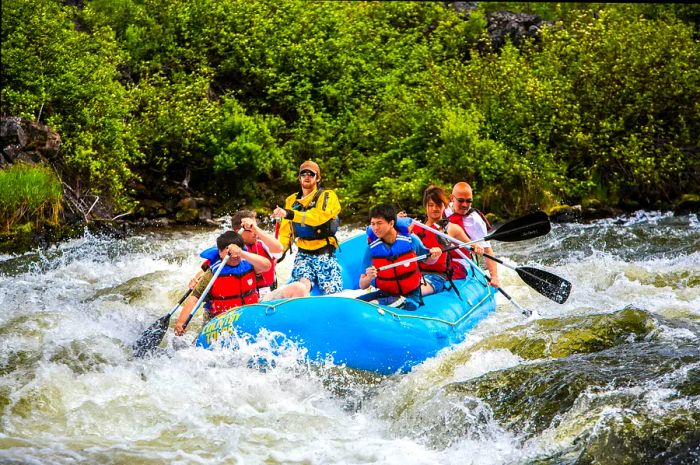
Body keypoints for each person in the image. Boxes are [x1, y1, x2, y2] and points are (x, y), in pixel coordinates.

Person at [175, 231, 271, 336]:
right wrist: (181, 323)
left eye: (237, 252)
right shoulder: (212, 273)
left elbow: (267, 266)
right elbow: (194, 299)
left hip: (248, 314)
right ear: (220, 252)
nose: (234, 256)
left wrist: (241, 253)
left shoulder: (249, 264)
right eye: (229, 252)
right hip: (219, 320)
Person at [271, 160, 343, 296]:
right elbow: (287, 232)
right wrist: (277, 254)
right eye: (303, 174)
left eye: (311, 174)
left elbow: (318, 217)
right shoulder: (291, 201)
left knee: (331, 291)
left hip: (325, 253)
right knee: (301, 285)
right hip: (303, 254)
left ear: (318, 178)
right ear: (299, 178)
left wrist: (290, 213)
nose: (307, 176)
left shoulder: (328, 196)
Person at [358, 204, 442, 311]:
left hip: (409, 296)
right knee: (355, 304)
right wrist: (369, 277)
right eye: (373, 224)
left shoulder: (411, 240)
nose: (375, 228)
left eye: (379, 223)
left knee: (373, 305)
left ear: (391, 223)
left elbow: (428, 260)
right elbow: (362, 285)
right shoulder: (371, 248)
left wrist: (435, 256)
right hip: (385, 294)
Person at [411, 185, 484, 296]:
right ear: (425, 206)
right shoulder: (414, 226)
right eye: (431, 205)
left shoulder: (452, 228)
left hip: (437, 276)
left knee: (411, 291)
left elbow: (471, 245)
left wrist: (477, 248)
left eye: (438, 205)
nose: (434, 209)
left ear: (444, 206)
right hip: (416, 273)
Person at [445, 182, 500, 288]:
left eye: (469, 201)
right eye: (460, 200)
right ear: (452, 198)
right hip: (440, 260)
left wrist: (494, 277)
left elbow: (487, 250)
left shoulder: (475, 220)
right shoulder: (442, 210)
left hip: (462, 262)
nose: (465, 205)